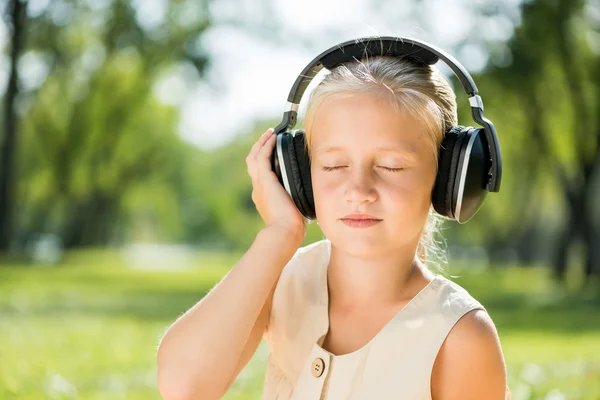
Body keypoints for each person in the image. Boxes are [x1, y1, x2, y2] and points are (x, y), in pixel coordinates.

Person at [156, 52, 511, 400]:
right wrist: (280, 234)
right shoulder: (281, 281)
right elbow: (184, 388)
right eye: (334, 166)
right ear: (300, 179)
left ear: (450, 179)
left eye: (391, 166)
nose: (358, 191)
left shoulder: (459, 335)